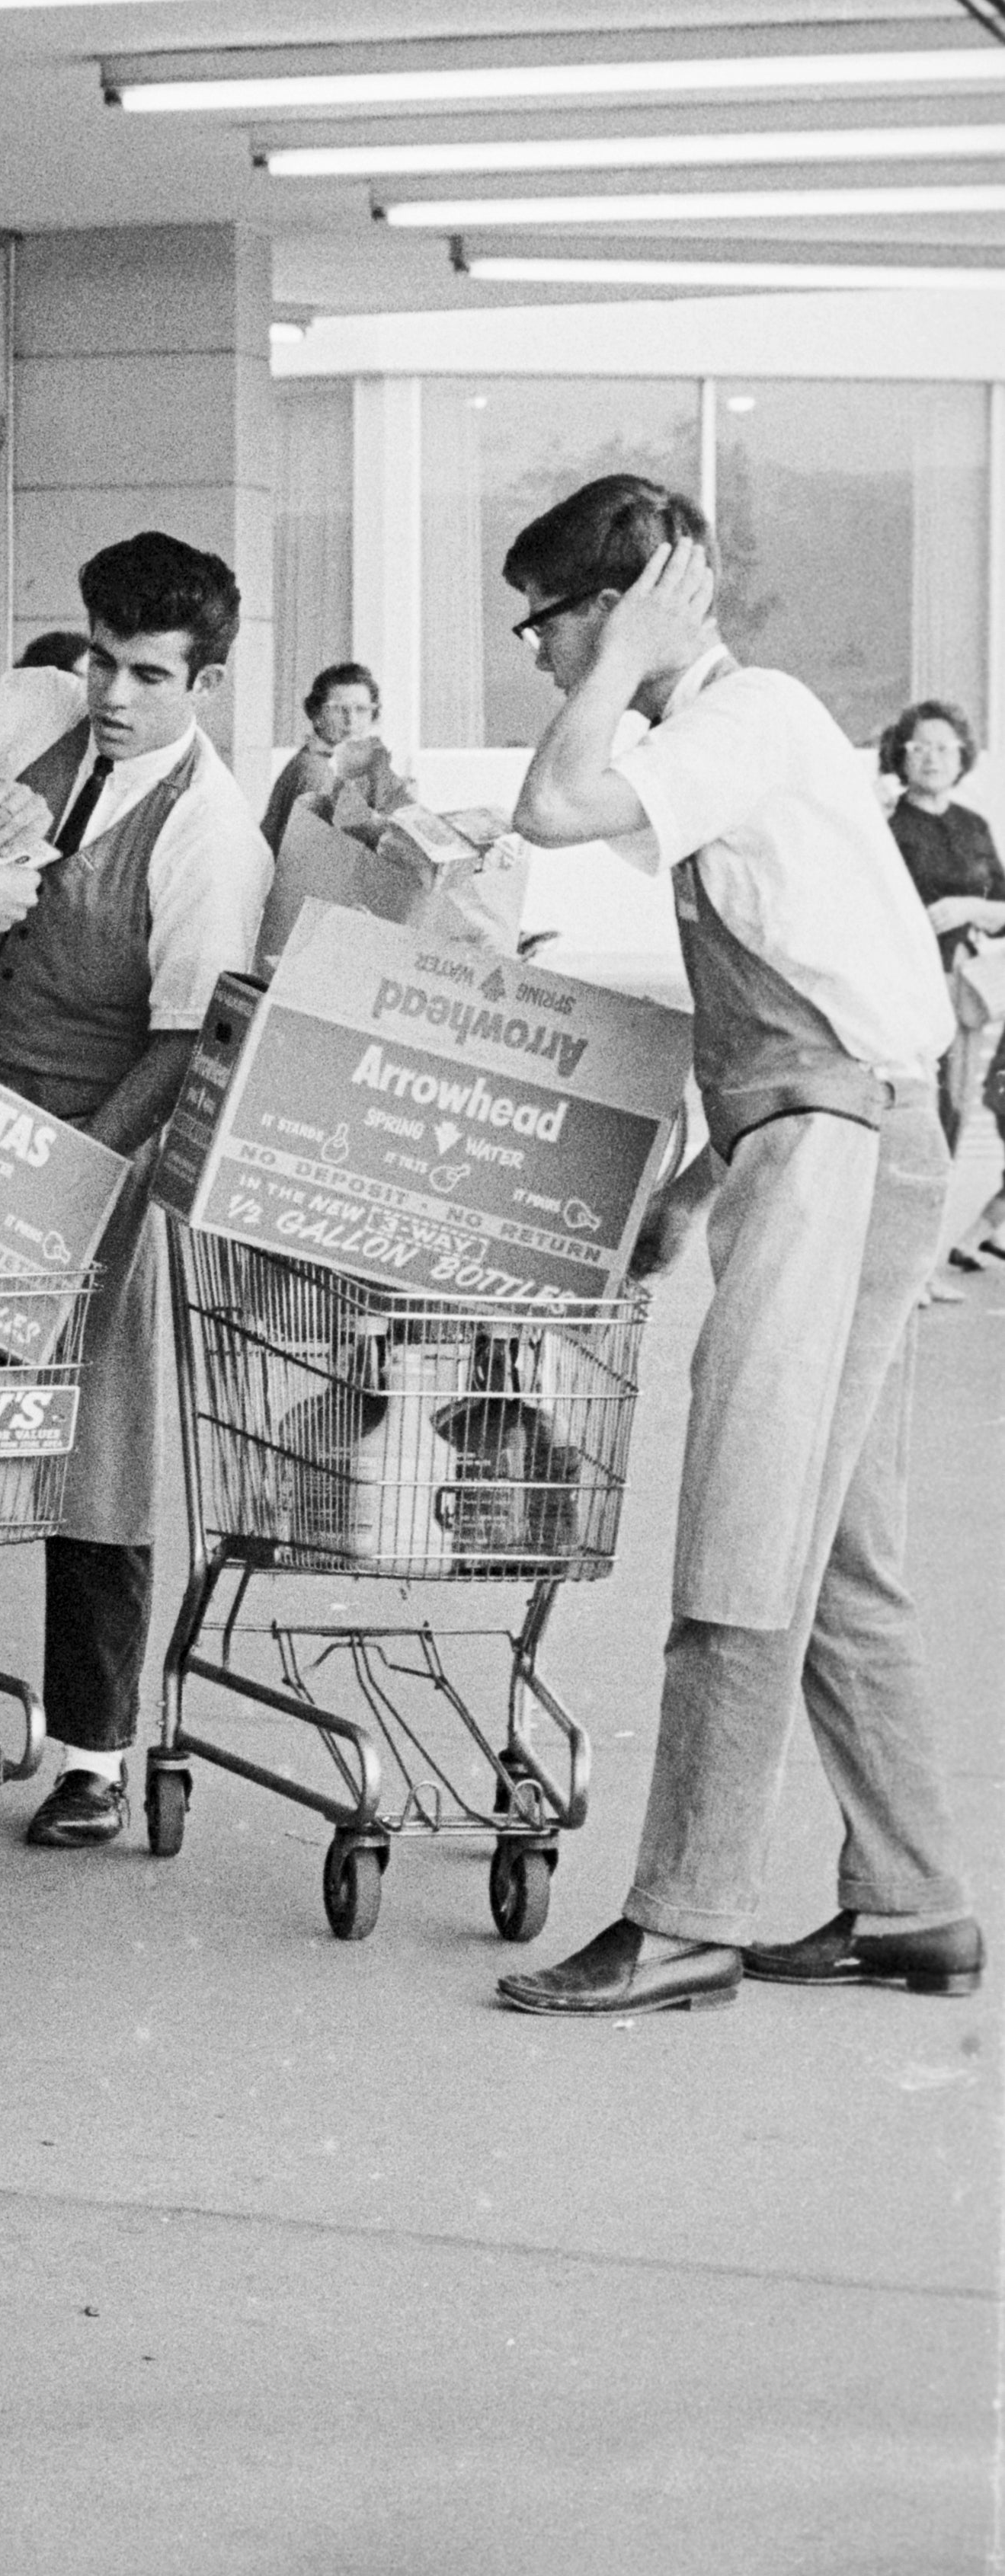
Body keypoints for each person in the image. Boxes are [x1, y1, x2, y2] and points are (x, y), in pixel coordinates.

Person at [487, 478, 977, 2018]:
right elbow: (797, 1005)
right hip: (830, 1134)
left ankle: (684, 1914)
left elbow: (545, 809)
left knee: (741, 1525)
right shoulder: (727, 741)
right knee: (835, 1548)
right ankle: (909, 1901)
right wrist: (694, 1187)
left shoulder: (741, 713)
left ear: (624, 601)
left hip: (838, 1151)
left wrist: (622, 649)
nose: (540, 652)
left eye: (550, 616)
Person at [0, 535, 274, 1852]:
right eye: (99, 656)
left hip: (93, 1154)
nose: (112, 693)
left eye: (149, 673)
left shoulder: (207, 830)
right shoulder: (51, 711)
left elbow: (182, 1037)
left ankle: (94, 1750)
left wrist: (73, 1183)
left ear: (204, 678)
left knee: (93, 1463)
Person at [878, 702, 1005, 1280]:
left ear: (962, 757)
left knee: (950, 1116)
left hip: (964, 989)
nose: (932, 758)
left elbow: (1002, 907)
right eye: (919, 747)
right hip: (905, 988)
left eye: (944, 747)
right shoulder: (887, 827)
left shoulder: (973, 826)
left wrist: (972, 906)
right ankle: (902, 1267)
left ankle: (920, 1267)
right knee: (913, 1118)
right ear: (900, 756)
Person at [256, 660, 381, 852]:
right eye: (339, 709)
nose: (351, 721)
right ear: (317, 714)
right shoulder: (315, 771)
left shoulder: (340, 766)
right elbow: (309, 859)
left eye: (361, 710)